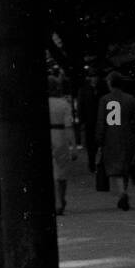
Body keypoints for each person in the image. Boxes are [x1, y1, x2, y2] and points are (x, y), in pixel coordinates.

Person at [95, 72, 135, 210]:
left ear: (110, 83)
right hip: (127, 136)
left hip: (110, 137)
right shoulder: (130, 99)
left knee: (114, 167)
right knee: (125, 165)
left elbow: (101, 121)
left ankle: (122, 193)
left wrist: (99, 138)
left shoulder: (105, 100)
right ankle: (123, 191)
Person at [48, 76, 77, 215]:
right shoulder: (64, 104)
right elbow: (69, 126)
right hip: (61, 136)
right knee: (62, 171)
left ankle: (56, 201)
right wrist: (74, 146)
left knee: (52, 172)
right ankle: (62, 199)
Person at [76, 74, 104, 173]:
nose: (95, 79)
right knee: (91, 144)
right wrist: (82, 120)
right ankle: (92, 164)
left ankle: (95, 163)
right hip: (90, 121)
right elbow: (80, 107)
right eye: (93, 77)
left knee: (96, 143)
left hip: (97, 120)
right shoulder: (84, 90)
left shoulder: (100, 90)